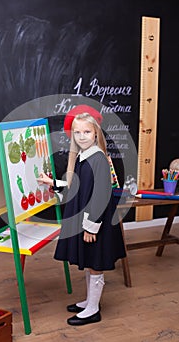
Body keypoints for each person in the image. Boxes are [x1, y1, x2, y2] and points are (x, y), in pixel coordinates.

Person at [37, 105, 126, 326]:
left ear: (95, 133)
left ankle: (93, 309)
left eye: (86, 132)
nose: (81, 136)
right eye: (77, 132)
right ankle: (89, 302)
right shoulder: (83, 157)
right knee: (89, 260)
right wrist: (53, 183)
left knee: (95, 262)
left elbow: (100, 197)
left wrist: (90, 227)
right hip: (86, 220)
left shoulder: (98, 159)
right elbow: (75, 186)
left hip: (95, 223)